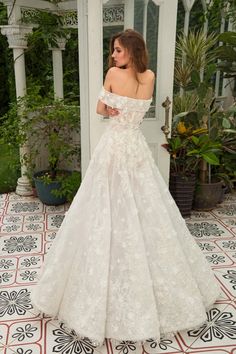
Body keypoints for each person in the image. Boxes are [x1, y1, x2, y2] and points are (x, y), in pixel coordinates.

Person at [31, 29, 220, 347]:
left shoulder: (112, 76)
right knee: (143, 203)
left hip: (115, 146)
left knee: (109, 202)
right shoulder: (149, 77)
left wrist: (111, 109)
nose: (113, 55)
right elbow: (137, 105)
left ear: (132, 50)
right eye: (113, 51)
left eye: (118, 50)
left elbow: (100, 111)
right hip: (135, 148)